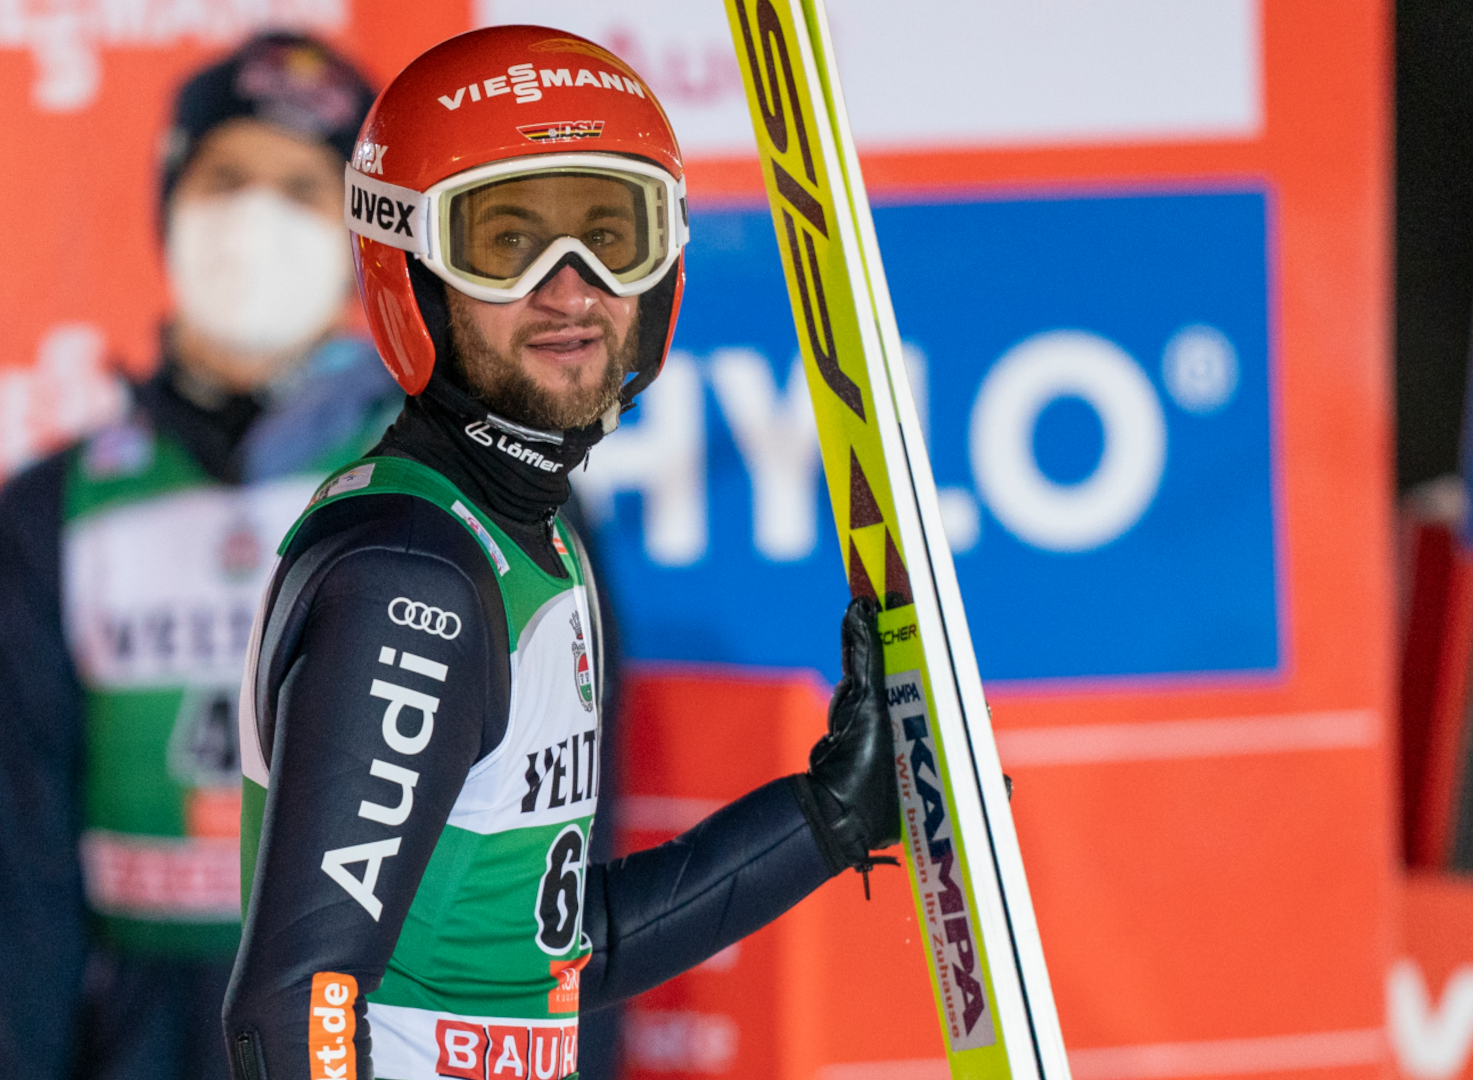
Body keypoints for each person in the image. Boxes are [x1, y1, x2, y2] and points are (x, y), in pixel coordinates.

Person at [219, 25, 899, 1079]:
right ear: (413, 269)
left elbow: (559, 950)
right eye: (506, 241)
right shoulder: (415, 581)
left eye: (609, 233)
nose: (571, 288)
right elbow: (295, 1002)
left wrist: (828, 816)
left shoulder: (526, 544)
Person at [0, 35, 398, 1079]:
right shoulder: (55, 512)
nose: (255, 221)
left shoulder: (458, 494)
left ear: (362, 238)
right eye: (226, 180)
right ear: (172, 204)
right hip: (135, 1040)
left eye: (302, 191)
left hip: (388, 1035)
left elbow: (549, 864)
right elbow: (19, 880)